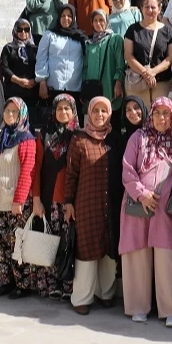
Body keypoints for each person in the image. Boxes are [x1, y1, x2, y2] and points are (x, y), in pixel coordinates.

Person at [120, 97, 172, 327]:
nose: (161, 118)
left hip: (164, 209)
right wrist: (142, 194)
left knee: (166, 257)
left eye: (166, 114)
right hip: (138, 204)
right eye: (157, 113)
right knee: (137, 255)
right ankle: (138, 307)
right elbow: (128, 171)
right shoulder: (138, 138)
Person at [65, 97, 121, 315]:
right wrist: (69, 203)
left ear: (109, 114)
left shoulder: (114, 140)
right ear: (89, 113)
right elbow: (71, 174)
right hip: (86, 202)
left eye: (104, 111)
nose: (99, 115)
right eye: (95, 111)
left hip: (111, 203)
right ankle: (81, 298)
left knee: (108, 248)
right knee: (87, 250)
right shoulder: (79, 139)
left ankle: (106, 294)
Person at [0, 98, 36, 299]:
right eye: (7, 111)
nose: (9, 115)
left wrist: (19, 200)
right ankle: (5, 282)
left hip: (16, 202)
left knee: (17, 243)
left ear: (22, 114)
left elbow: (27, 172)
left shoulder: (26, 139)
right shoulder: (2, 137)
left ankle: (22, 285)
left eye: (14, 112)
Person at [31, 94, 79, 299]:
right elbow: (37, 167)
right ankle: (52, 285)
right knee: (49, 242)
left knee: (68, 243)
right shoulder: (44, 135)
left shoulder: (79, 135)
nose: (63, 112)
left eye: (68, 108)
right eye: (59, 108)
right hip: (49, 198)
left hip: (70, 200)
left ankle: (68, 284)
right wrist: (36, 199)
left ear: (74, 111)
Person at [124, 0, 172, 108]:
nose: (149, 10)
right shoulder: (132, 30)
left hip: (162, 82)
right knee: (140, 117)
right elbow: (128, 55)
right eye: (146, 6)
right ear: (141, 8)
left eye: (153, 7)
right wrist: (145, 73)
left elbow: (170, 57)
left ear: (159, 9)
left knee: (161, 115)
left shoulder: (168, 32)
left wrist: (153, 72)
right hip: (137, 81)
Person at [35, 5, 87, 112]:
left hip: (75, 86)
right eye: (63, 16)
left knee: (73, 121)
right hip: (54, 85)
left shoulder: (80, 37)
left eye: (69, 16)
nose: (66, 19)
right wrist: (42, 81)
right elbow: (41, 58)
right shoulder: (49, 35)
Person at [83, 9, 125, 111]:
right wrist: (84, 88)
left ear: (107, 21)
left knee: (112, 117)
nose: (98, 23)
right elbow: (85, 67)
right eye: (95, 20)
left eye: (101, 20)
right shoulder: (89, 43)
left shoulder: (115, 39)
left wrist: (118, 83)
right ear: (92, 23)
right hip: (93, 89)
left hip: (110, 87)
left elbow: (120, 63)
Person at [0, 19, 39, 125]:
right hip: (13, 91)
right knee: (13, 122)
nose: (23, 32)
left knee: (30, 124)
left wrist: (34, 81)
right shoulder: (8, 48)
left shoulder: (35, 49)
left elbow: (40, 66)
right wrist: (19, 81)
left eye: (26, 30)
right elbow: (4, 68)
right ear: (15, 31)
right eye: (20, 29)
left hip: (31, 92)